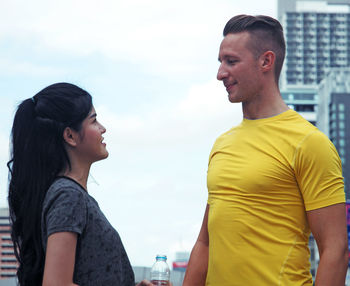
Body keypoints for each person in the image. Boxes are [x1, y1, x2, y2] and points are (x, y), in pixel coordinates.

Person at [183, 14, 348, 286]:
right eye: (220, 62)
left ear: (266, 61)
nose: (220, 73)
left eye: (231, 61)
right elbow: (206, 243)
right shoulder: (222, 145)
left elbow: (335, 250)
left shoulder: (309, 142)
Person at [7, 82, 153, 286]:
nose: (103, 128)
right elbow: (57, 284)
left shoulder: (68, 194)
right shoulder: (68, 196)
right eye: (94, 121)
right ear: (70, 136)